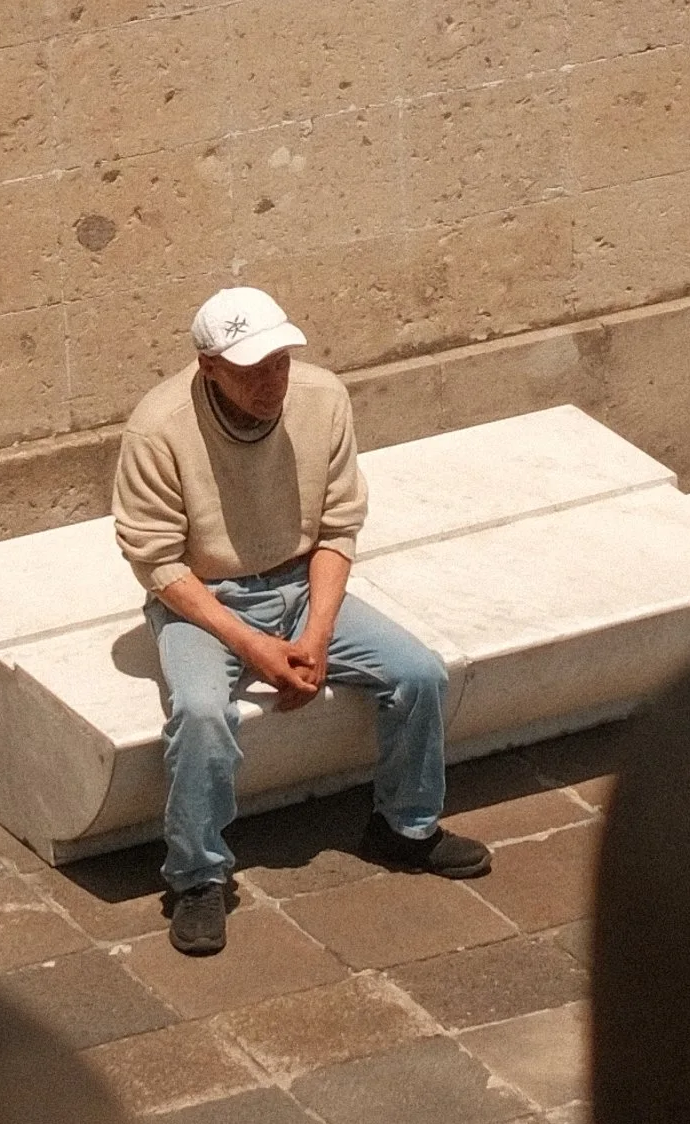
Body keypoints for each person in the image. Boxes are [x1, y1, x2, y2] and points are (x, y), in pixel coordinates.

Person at [112, 284, 488, 954]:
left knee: (419, 674)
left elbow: (339, 528)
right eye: (253, 368)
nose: (273, 379)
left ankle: (406, 826)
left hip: (298, 581)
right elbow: (159, 562)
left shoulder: (323, 398)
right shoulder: (158, 427)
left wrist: (313, 636)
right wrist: (253, 645)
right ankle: (196, 876)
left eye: (280, 360)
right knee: (200, 711)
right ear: (209, 367)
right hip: (205, 599)